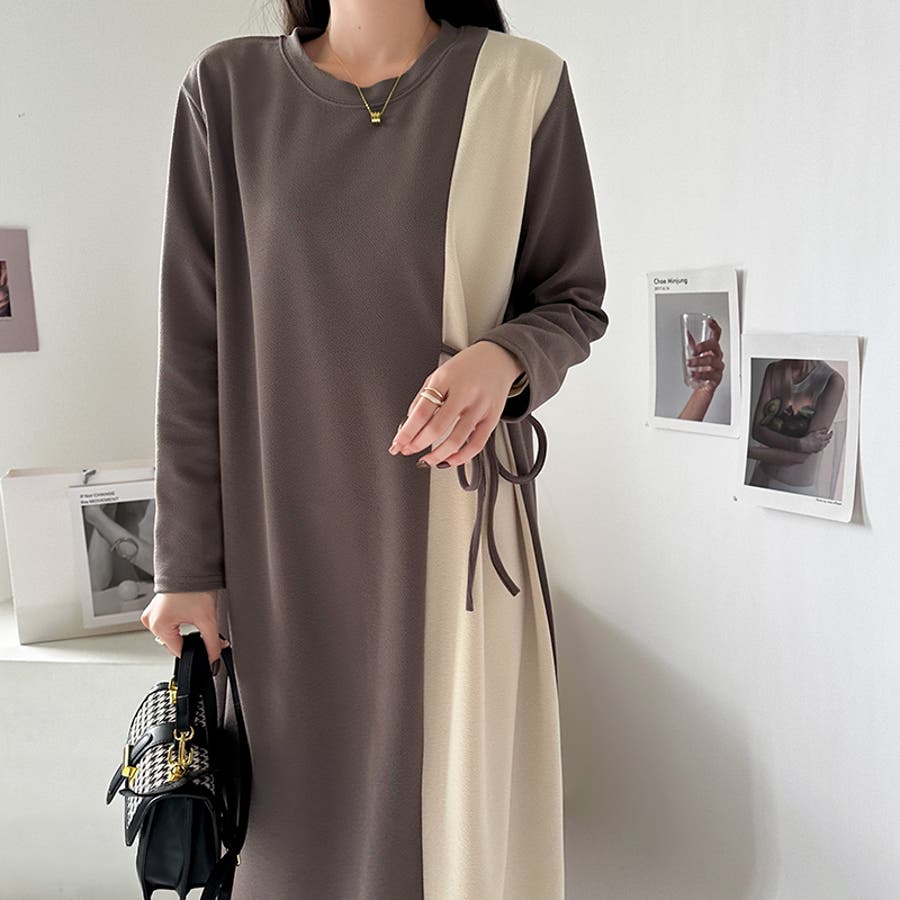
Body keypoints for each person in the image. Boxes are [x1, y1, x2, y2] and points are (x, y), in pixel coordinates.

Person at [140, 1, 610, 897]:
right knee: (291, 840)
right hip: (281, 551)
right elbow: (193, 350)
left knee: (446, 838)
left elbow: (572, 297)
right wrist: (186, 563)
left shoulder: (520, 85)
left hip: (456, 545)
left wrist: (506, 356)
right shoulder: (226, 91)